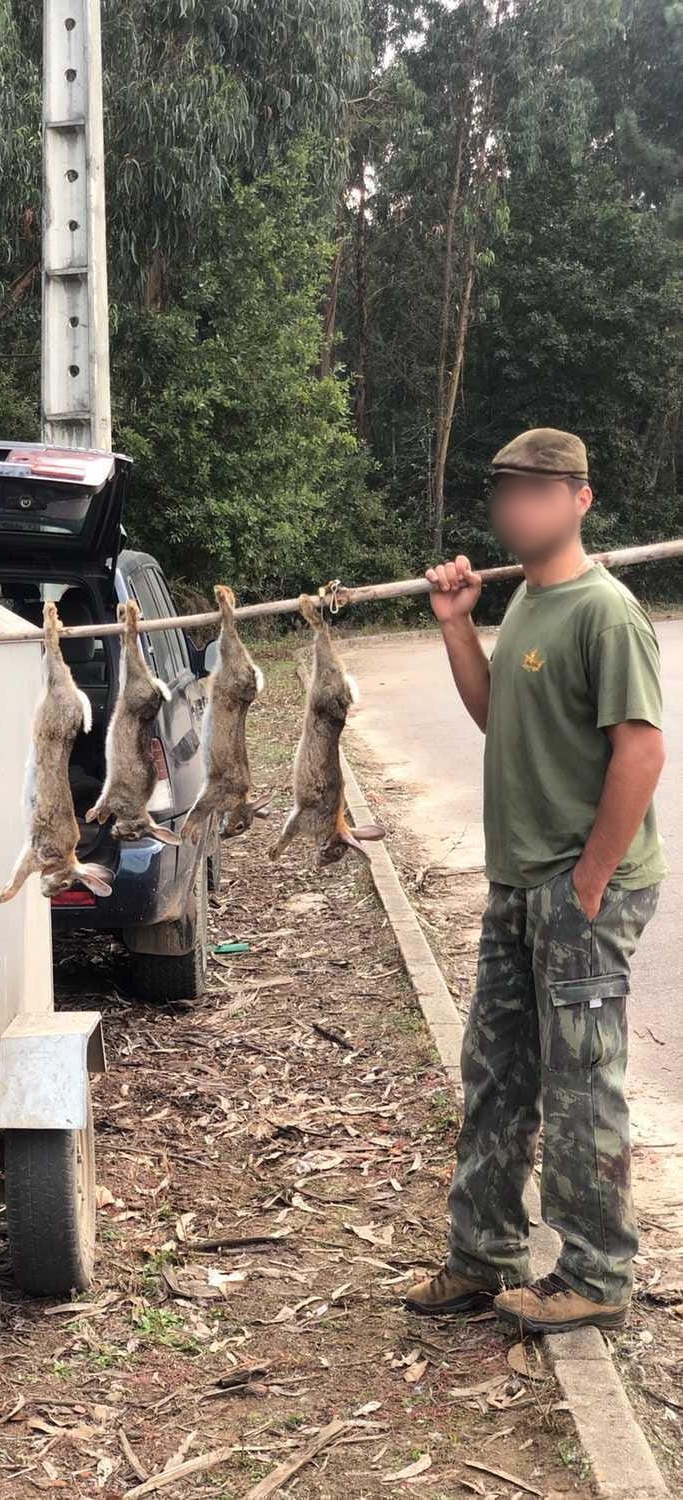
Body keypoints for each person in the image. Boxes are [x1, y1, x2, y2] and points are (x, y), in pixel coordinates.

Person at [405, 427, 667, 1333]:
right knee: (496, 1074)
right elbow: (496, 717)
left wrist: (589, 883)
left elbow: (641, 749)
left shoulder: (606, 611)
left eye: (536, 491)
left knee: (581, 1083)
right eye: (505, 491)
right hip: (520, 883)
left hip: (579, 886)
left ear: (580, 500)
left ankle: (595, 1276)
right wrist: (456, 626)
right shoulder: (523, 605)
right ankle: (485, 1256)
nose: (516, 506)